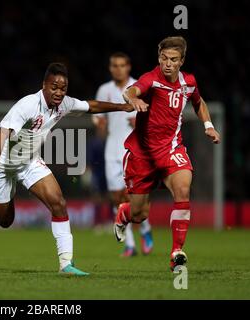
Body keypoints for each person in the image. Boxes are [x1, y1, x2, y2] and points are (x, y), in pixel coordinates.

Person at [0, 62, 135, 276]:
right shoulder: (28, 104)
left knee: (58, 202)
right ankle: (7, 194)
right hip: (0, 163)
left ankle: (66, 264)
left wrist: (121, 107)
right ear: (44, 85)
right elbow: (1, 134)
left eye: (63, 88)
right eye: (54, 87)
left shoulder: (64, 104)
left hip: (28, 161)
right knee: (5, 221)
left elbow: (91, 106)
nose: (59, 92)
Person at [114, 36, 221, 270]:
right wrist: (134, 100)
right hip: (142, 155)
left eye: (173, 59)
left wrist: (208, 126)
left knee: (183, 188)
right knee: (139, 214)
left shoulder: (189, 82)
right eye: (164, 58)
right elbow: (131, 90)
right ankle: (124, 214)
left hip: (171, 149)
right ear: (158, 58)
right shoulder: (151, 80)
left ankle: (176, 253)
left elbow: (198, 101)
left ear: (181, 61)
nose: (168, 64)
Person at [93, 52, 154, 257]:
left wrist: (141, 122)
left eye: (122, 65)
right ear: (110, 68)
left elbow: (154, 118)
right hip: (112, 150)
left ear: (128, 67)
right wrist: (100, 125)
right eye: (114, 65)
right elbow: (99, 119)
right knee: (116, 199)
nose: (118, 69)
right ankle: (130, 245)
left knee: (133, 198)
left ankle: (145, 230)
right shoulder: (104, 90)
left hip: (135, 151)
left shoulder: (141, 86)